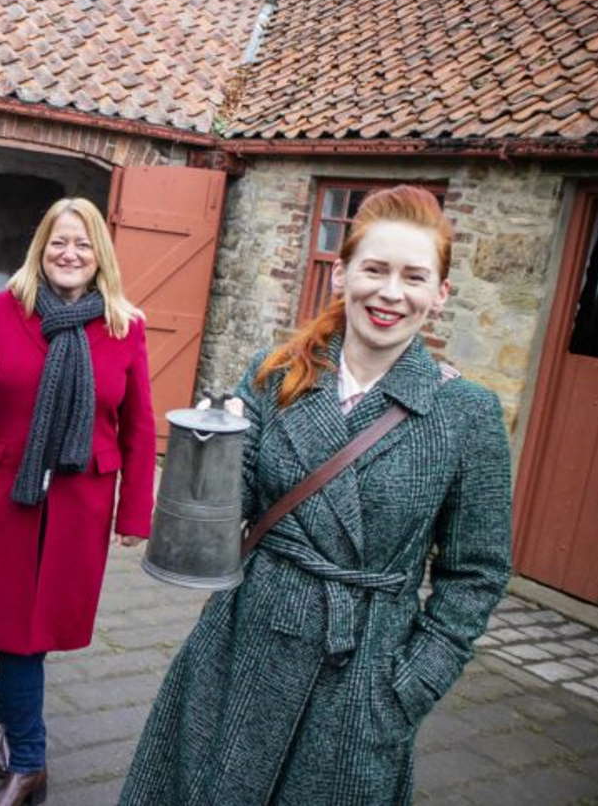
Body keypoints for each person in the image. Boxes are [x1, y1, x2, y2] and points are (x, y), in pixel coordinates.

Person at [121, 185, 512, 805]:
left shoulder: (466, 415)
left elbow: (477, 574)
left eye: (414, 276)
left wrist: (409, 686)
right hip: (243, 651)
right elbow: (225, 514)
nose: (390, 293)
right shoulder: (276, 375)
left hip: (363, 679)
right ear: (342, 275)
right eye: (375, 270)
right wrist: (210, 449)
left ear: (439, 294)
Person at [0, 197, 157, 806]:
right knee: (14, 626)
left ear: (100, 258)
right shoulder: (3, 309)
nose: (70, 254)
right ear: (41, 247)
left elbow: (140, 428)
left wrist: (134, 515)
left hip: (78, 500)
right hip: (3, 492)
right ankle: (30, 765)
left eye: (83, 244)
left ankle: (2, 719)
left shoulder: (125, 326)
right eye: (59, 242)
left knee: (30, 629)